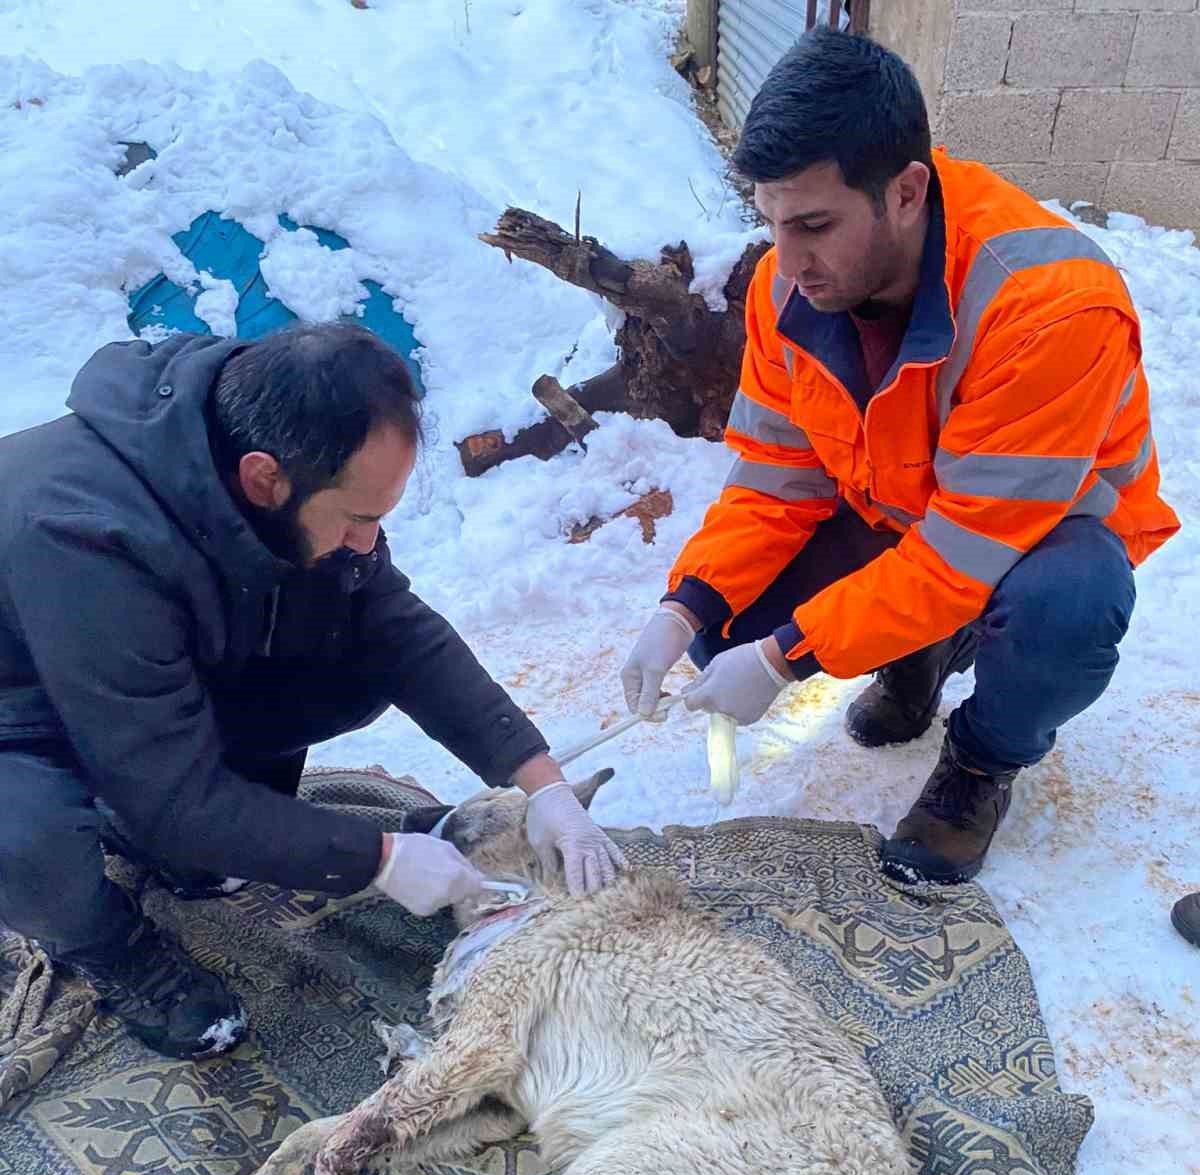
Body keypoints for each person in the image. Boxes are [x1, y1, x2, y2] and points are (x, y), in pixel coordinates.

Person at [622, 28, 1178, 884]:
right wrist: (684, 608)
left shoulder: (1048, 308)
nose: (787, 261)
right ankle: (917, 649)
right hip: (907, 510)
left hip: (1043, 540)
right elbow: (774, 484)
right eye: (771, 223)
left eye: (813, 225)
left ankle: (983, 762)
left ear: (908, 191)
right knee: (728, 623)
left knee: (1066, 611)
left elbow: (965, 552)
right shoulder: (787, 287)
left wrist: (784, 658)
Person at [0, 324, 621, 1060]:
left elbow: (393, 627)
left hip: (134, 675)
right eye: (359, 519)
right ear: (266, 480)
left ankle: (197, 840)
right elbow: (173, 796)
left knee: (343, 664)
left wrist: (540, 781)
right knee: (26, 837)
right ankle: (106, 944)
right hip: (21, 711)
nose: (369, 542)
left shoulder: (253, 446)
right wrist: (379, 858)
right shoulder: (87, 536)